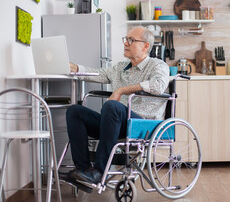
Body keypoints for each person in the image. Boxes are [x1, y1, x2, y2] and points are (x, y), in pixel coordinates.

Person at [62, 26, 169, 189]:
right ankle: (83, 172)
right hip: (114, 123)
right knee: (74, 111)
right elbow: (96, 73)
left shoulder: (157, 65)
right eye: (125, 39)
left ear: (146, 46)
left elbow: (158, 86)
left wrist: (121, 90)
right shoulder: (120, 68)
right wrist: (73, 67)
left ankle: (99, 171)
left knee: (112, 106)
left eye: (131, 40)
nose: (126, 43)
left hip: (142, 125)